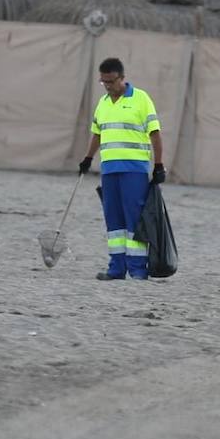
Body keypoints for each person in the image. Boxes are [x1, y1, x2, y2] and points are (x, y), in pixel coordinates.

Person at [79, 57, 166, 281]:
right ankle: (116, 268)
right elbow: (97, 133)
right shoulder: (103, 103)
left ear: (122, 78)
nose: (107, 86)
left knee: (133, 218)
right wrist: (88, 158)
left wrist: (158, 165)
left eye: (111, 81)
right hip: (109, 169)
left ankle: (138, 269)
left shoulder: (141, 99)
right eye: (103, 82)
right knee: (113, 219)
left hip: (134, 169)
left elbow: (155, 133)